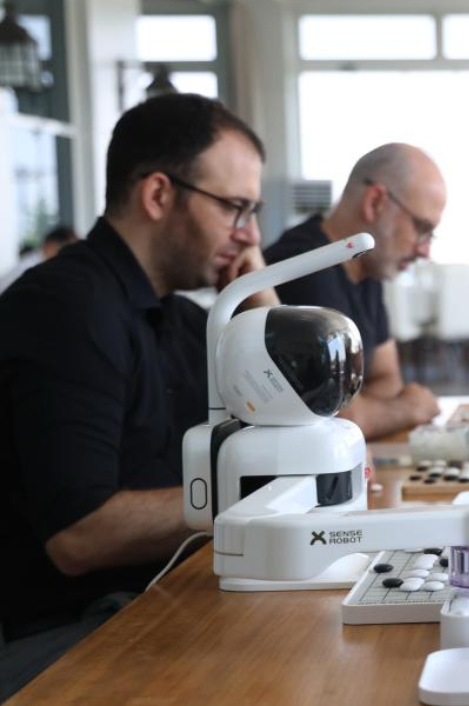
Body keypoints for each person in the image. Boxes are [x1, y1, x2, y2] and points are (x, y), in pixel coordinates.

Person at [0, 93, 274, 699]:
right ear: (158, 195)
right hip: (73, 636)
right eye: (235, 207)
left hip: (154, 606)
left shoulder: (175, 318)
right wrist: (261, 489)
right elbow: (80, 535)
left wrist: (259, 295)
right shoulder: (66, 309)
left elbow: (300, 419)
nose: (250, 234)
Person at [265, 144, 445, 440]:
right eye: (422, 228)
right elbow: (336, 418)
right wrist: (408, 408)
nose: (425, 250)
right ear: (375, 202)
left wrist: (374, 411)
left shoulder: (366, 267)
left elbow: (387, 379)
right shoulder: (304, 266)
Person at [0, 225, 78, 295]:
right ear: (51, 245)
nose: (68, 256)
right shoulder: (28, 269)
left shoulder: (41, 266)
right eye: (67, 250)